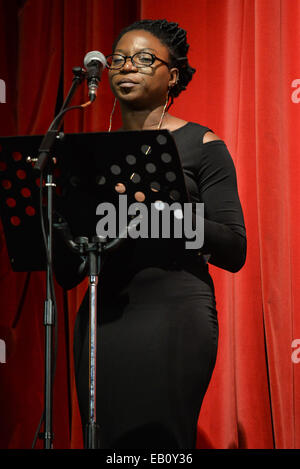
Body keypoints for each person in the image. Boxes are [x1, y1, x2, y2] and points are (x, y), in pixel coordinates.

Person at [54, 19, 246, 449]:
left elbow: (234, 248)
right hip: (104, 321)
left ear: (172, 76)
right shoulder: (87, 153)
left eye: (144, 59)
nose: (127, 68)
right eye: (118, 60)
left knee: (162, 447)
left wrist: (168, 211)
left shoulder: (202, 143)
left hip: (174, 313)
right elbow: (68, 273)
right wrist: (63, 220)